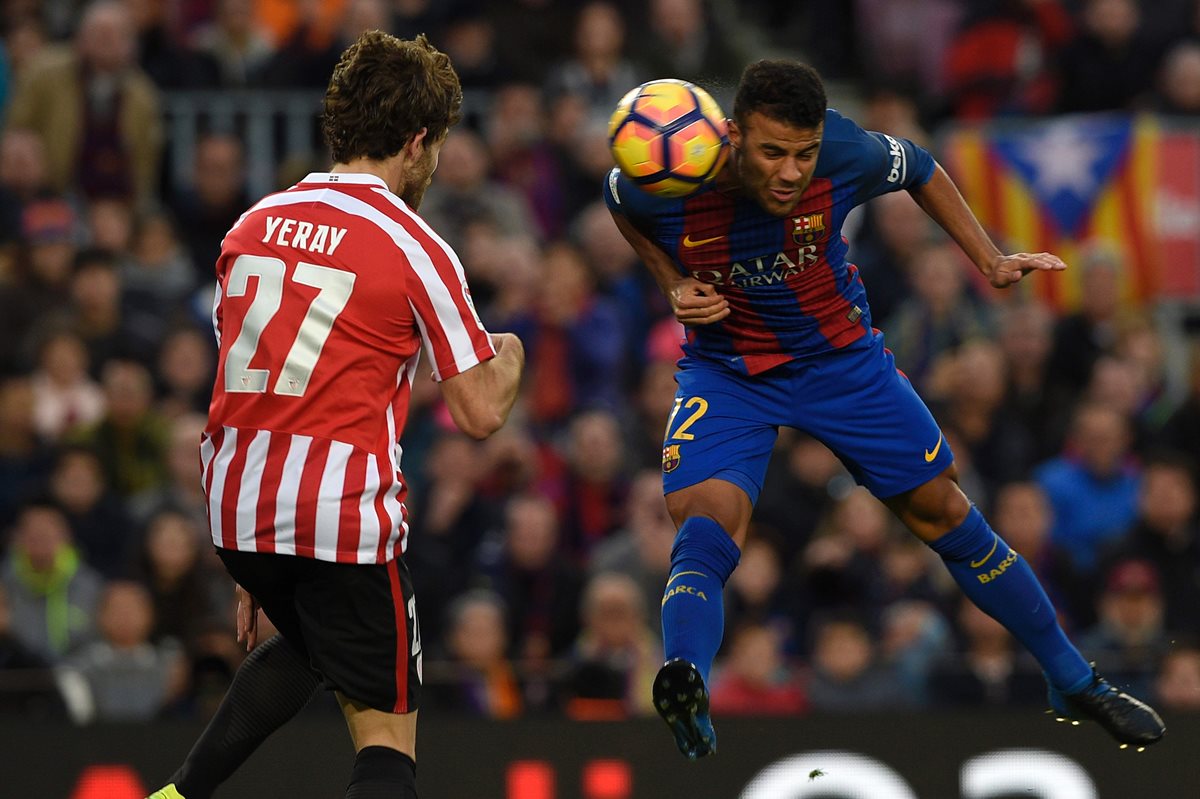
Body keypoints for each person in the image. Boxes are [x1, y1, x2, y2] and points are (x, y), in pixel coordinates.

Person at [605, 59, 1165, 759]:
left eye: (802, 154)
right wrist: (671, 281)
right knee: (706, 517)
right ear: (733, 135)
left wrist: (988, 259)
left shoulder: (846, 152)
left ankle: (1073, 678)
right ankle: (686, 673)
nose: (789, 171)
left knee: (947, 513)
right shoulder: (671, 175)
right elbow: (620, 199)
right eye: (773, 151)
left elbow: (922, 167)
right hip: (730, 371)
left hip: (843, 362)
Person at [145, 31, 525, 799]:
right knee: (387, 742)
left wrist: (254, 562)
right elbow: (480, 411)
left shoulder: (250, 224)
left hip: (237, 509)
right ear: (418, 142)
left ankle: (178, 794)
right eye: (438, 146)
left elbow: (240, 384)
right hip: (336, 519)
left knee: (316, 642)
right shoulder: (415, 243)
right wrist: (512, 348)